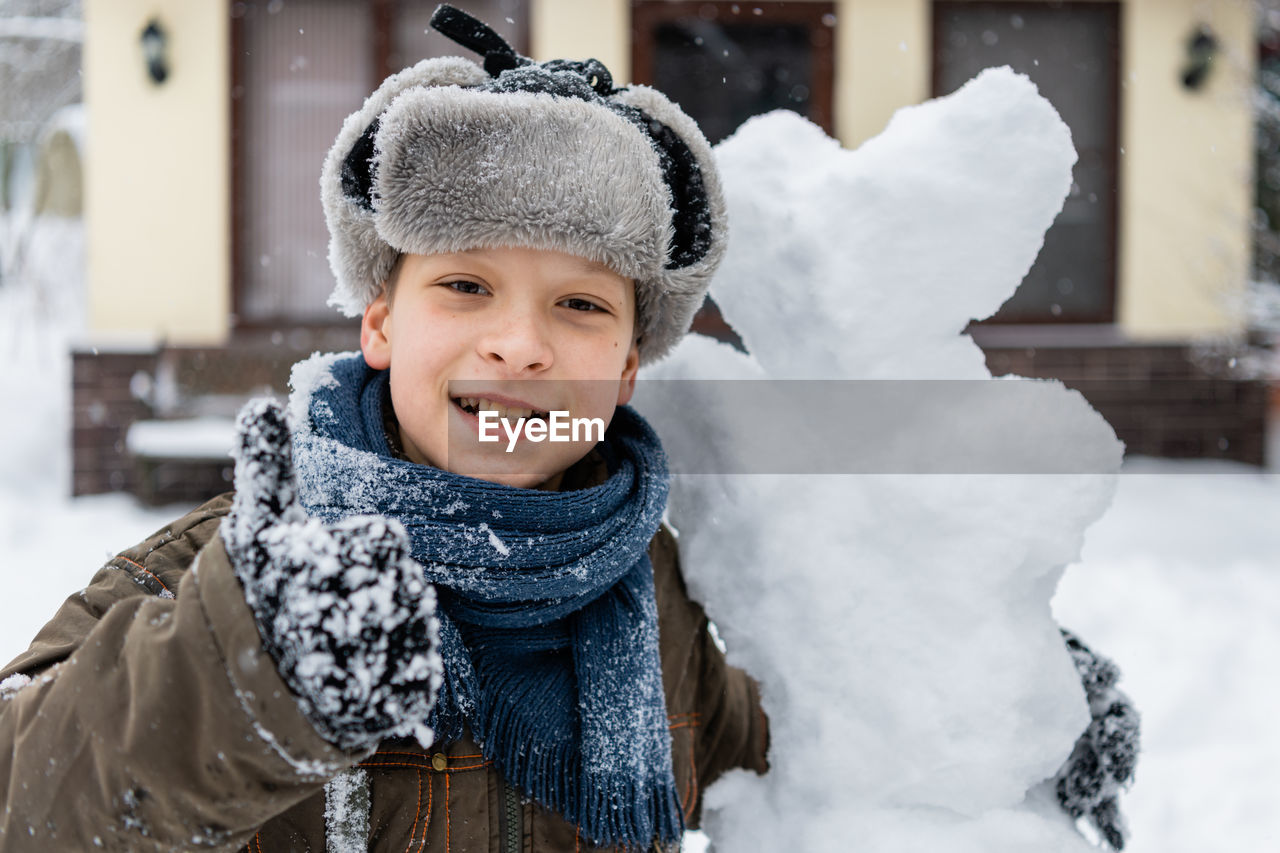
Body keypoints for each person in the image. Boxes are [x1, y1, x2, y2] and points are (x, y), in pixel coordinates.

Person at [0, 6, 767, 851]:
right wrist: (228, 677)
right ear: (380, 324)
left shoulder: (664, 593)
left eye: (580, 304)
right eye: (466, 285)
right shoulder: (216, 580)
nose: (517, 346)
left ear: (627, 367)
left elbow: (810, 778)